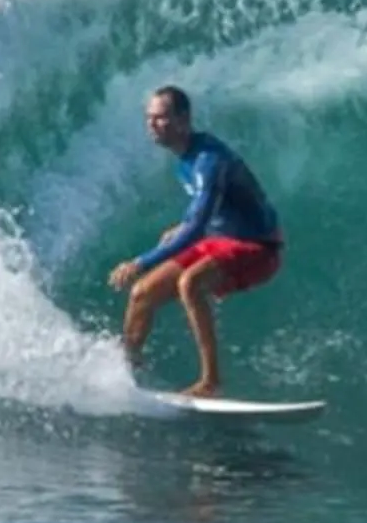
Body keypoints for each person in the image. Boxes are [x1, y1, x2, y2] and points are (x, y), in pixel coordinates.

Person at [105, 85, 283, 397]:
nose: (152, 125)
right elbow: (206, 213)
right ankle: (126, 374)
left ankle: (210, 381)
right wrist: (182, 225)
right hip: (222, 239)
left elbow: (198, 227)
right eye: (149, 118)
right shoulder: (185, 157)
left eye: (160, 118)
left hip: (258, 246)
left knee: (190, 283)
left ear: (184, 119)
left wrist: (140, 261)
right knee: (142, 293)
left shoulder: (208, 160)